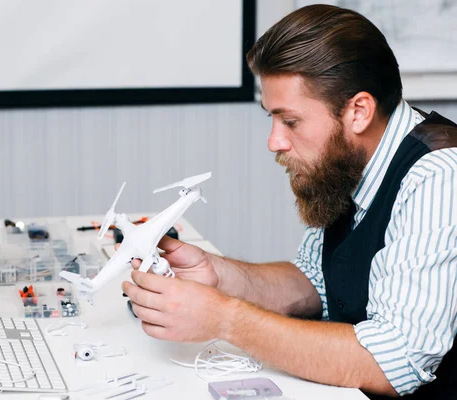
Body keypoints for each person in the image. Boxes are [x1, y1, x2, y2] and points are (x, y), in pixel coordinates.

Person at [121, 4, 457, 399]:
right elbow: (314, 282)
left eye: (291, 122)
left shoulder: (439, 177)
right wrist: (218, 276)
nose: (274, 142)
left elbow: (393, 364)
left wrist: (225, 320)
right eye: (272, 120)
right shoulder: (348, 162)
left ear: (358, 111)